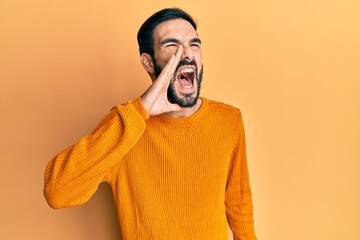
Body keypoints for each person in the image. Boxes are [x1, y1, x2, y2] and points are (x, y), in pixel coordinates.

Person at [44, 8, 257, 240]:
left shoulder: (229, 120)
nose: (187, 54)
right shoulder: (125, 126)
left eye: (194, 44)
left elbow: (240, 212)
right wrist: (141, 110)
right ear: (148, 62)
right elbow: (57, 192)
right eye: (172, 45)